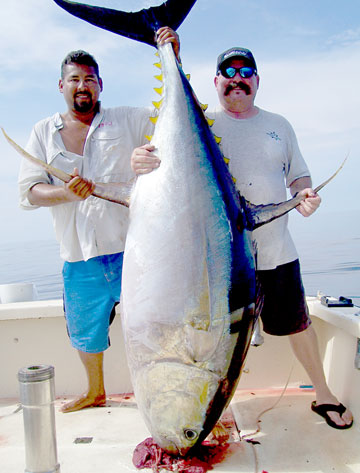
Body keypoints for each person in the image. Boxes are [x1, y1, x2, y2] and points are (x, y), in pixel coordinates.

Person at [131, 46, 353, 429]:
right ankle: (213, 410)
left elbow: (297, 176)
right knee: (222, 339)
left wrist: (304, 195)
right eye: (228, 73)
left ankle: (324, 393)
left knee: (298, 324)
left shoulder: (279, 125)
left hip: (274, 251)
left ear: (256, 81)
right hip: (218, 265)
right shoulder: (199, 120)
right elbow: (158, 159)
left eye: (246, 72)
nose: (238, 79)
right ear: (216, 82)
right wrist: (139, 159)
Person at [18, 27, 180, 413]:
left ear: (100, 85)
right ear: (61, 85)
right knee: (85, 332)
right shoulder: (43, 132)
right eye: (74, 79)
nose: (82, 86)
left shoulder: (128, 119)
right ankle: (95, 391)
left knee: (161, 327)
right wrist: (64, 193)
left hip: (134, 251)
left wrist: (173, 55)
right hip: (79, 256)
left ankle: (168, 391)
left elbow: (176, 117)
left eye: (89, 79)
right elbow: (29, 192)